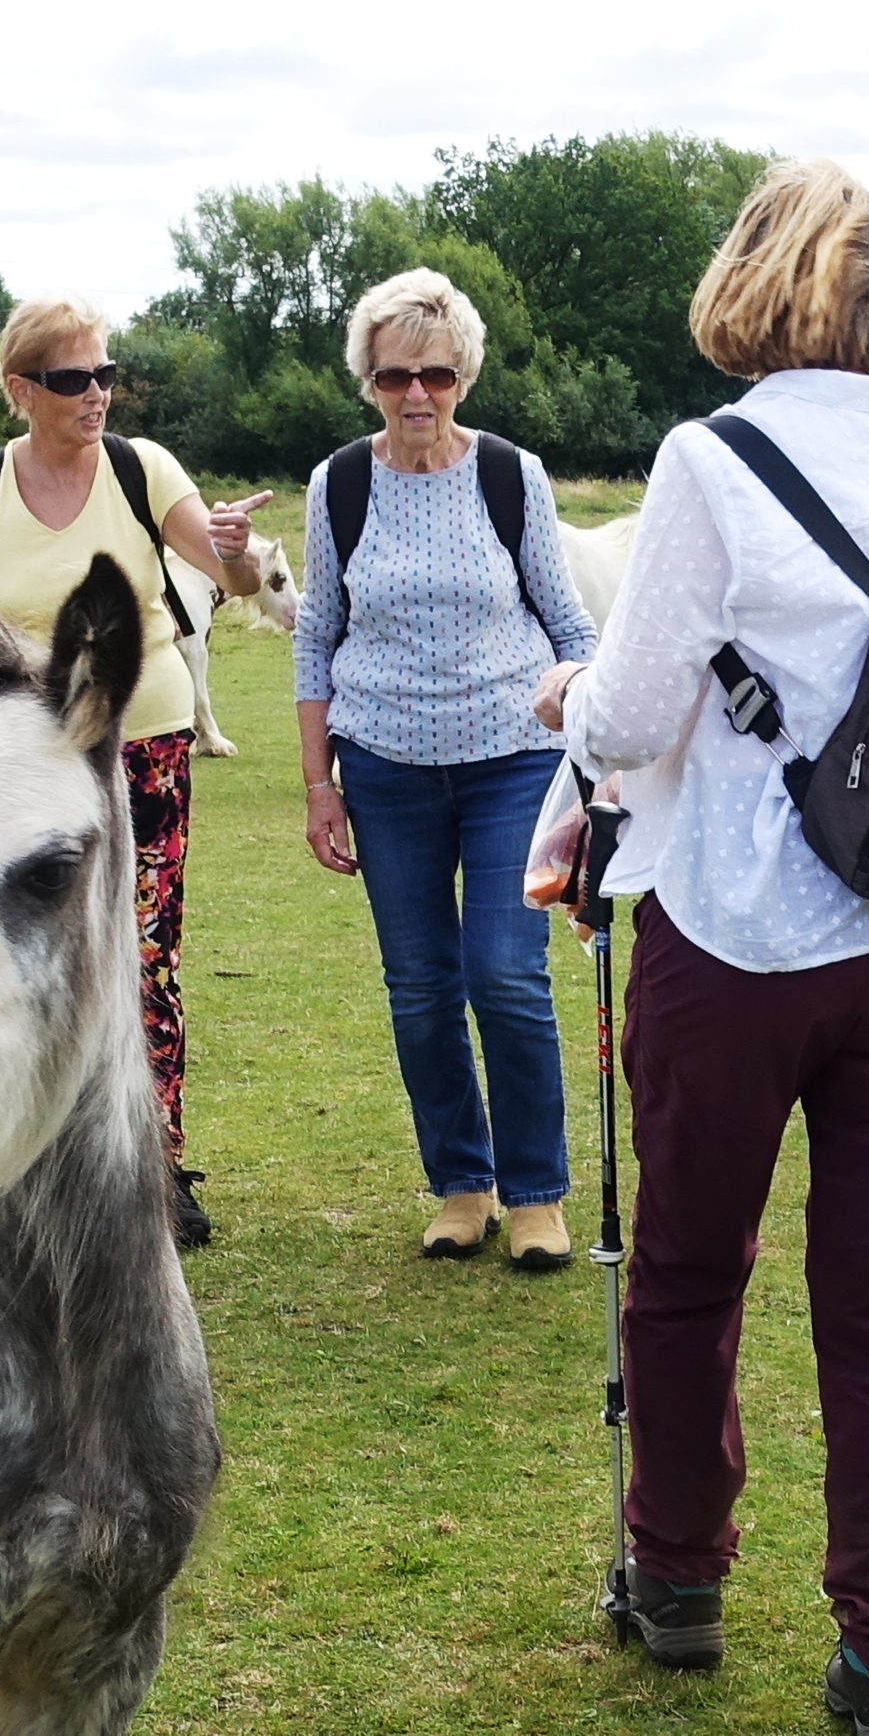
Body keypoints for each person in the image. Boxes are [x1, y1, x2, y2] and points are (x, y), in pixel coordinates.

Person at [533, 160, 869, 1736]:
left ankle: (674, 1572)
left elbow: (636, 711)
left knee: (688, 1270)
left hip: (736, 930)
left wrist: (567, 703)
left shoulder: (710, 460)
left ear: (750, 279)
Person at [0, 297, 266, 1244]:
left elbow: (229, 578)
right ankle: (27, 1166)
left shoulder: (144, 467)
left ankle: (156, 1170)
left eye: (106, 374)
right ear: (21, 389)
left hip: (144, 742)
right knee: (28, 952)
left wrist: (237, 558)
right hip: (24, 756)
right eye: (73, 379)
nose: (97, 395)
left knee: (144, 952)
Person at [295, 267, 592, 1268]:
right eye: (393, 378)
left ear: (462, 374)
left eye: (434, 375)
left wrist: (587, 728)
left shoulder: (513, 475)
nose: (414, 395)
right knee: (419, 986)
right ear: (367, 382)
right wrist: (317, 783)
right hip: (383, 768)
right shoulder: (337, 485)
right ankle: (459, 1185)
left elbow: (568, 619)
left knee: (502, 974)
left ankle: (537, 1194)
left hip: (512, 761)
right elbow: (313, 640)